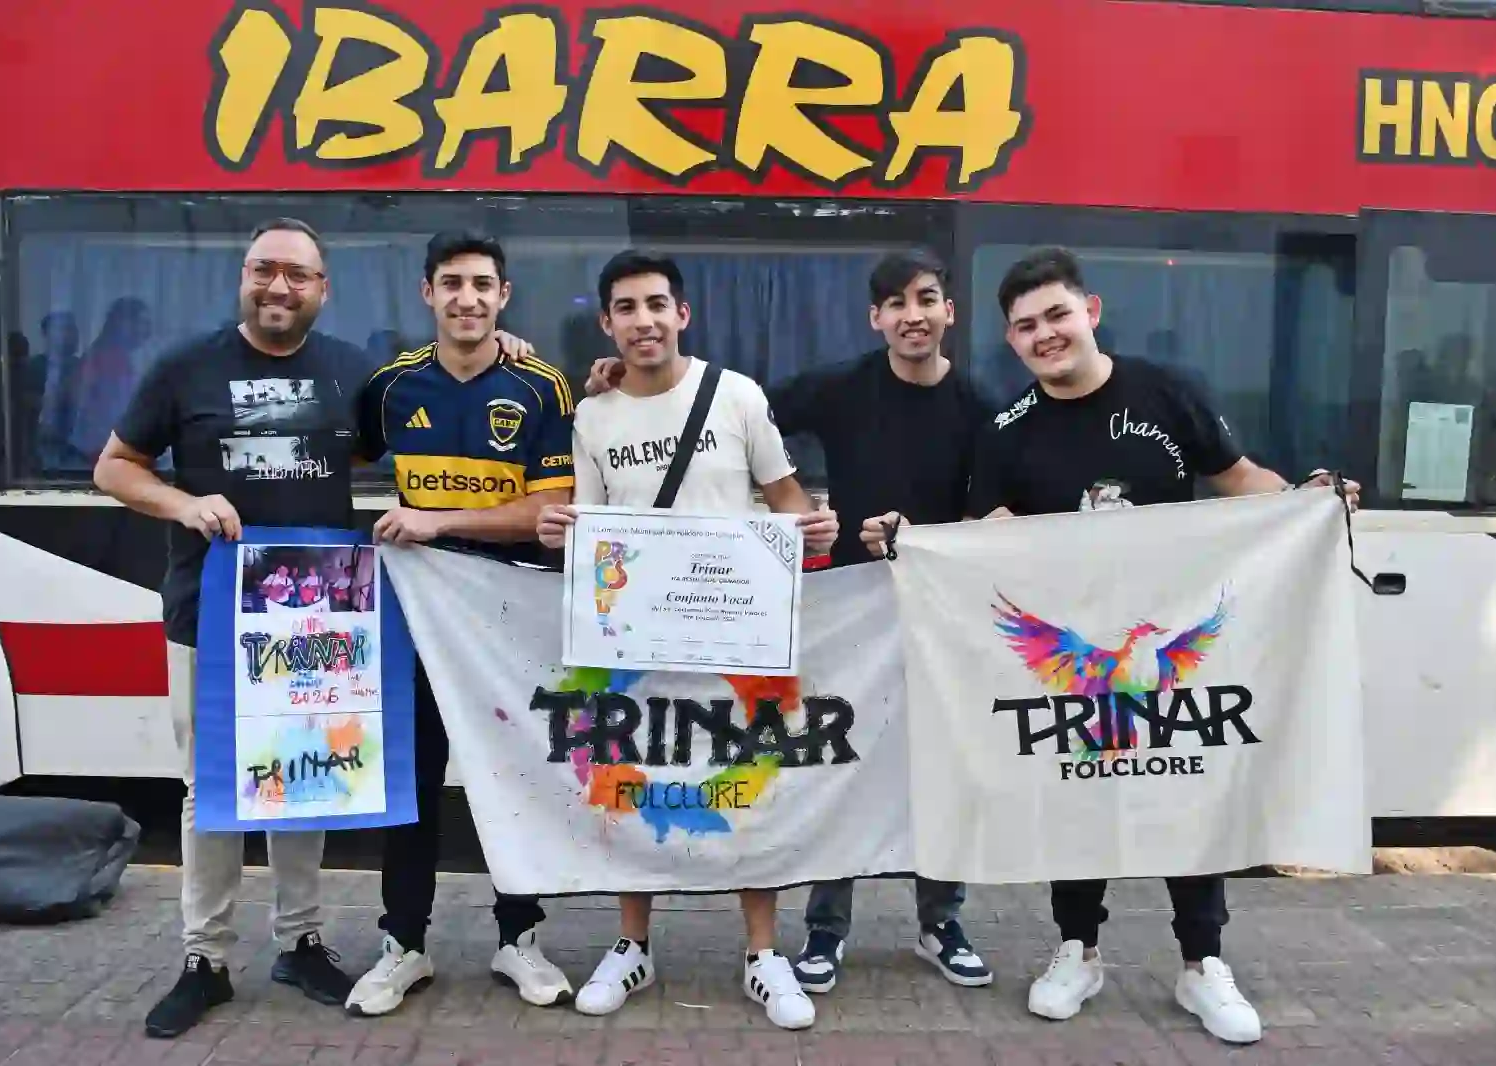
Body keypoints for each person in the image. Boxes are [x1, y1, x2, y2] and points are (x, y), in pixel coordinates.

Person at [864, 245, 1359, 1046]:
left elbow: (1239, 479)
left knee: (1186, 789)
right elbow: (986, 541)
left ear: (1090, 312)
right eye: (1026, 326)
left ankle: (1203, 962)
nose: (1045, 334)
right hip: (1080, 666)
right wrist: (912, 544)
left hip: (1172, 651)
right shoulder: (1006, 432)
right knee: (1076, 792)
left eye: (1057, 315)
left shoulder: (1168, 393)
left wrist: (1309, 503)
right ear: (1011, 340)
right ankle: (1077, 950)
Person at [580, 248, 993, 994]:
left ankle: (939, 921)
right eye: (897, 304)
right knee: (829, 766)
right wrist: (630, 375)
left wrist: (895, 537)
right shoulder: (830, 387)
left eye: (927, 299)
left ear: (949, 310)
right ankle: (822, 932)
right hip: (837, 609)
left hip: (933, 612)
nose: (914, 316)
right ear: (875, 317)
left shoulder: (979, 403)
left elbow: (987, 508)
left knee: (934, 768)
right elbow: (732, 429)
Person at [536, 250, 838, 1030]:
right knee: (628, 781)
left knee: (750, 783)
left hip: (736, 634)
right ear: (608, 324)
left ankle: (763, 954)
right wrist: (560, 532)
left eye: (656, 304)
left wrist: (813, 529)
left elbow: (784, 495)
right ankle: (632, 944)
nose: (644, 321)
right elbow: (592, 530)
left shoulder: (736, 396)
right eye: (626, 308)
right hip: (637, 640)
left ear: (682, 314)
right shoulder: (593, 416)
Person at [92, 218, 364, 1039]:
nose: (279, 286)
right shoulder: (185, 366)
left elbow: (425, 422)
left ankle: (300, 942)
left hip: (315, 613)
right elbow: (114, 466)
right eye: (263, 269)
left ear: (323, 290)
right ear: (244, 278)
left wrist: (513, 351)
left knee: (304, 779)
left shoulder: (354, 372)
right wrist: (184, 503)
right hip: (207, 613)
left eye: (297, 275)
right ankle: (204, 959)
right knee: (210, 788)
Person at [344, 231, 578, 1017]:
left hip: (511, 619)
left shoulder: (542, 386)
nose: (467, 299)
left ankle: (519, 939)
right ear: (428, 294)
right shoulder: (390, 386)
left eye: (482, 285)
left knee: (513, 777)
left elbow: (549, 511)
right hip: (418, 619)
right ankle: (403, 946)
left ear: (504, 296)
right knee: (411, 782)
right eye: (452, 284)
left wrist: (438, 522)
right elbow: (333, 462)